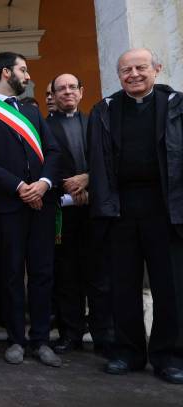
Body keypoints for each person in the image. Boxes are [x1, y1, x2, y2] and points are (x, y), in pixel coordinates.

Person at [87, 48, 183, 384]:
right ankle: (126, 352)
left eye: (141, 67)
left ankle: (170, 356)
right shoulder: (105, 110)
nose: (134, 75)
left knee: (170, 285)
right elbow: (96, 164)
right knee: (122, 284)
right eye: (126, 70)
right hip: (120, 209)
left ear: (157, 68)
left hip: (166, 208)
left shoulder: (177, 106)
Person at [0, 51, 62, 367]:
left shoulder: (32, 113)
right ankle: (16, 339)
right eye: (23, 69)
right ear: (6, 73)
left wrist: (44, 183)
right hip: (8, 207)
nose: (28, 76)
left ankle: (41, 339)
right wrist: (20, 187)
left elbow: (53, 151)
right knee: (9, 275)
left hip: (41, 205)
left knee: (43, 273)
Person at [46, 73, 112, 355]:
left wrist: (88, 179)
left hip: (95, 209)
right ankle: (70, 334)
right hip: (63, 210)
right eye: (61, 89)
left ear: (82, 92)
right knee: (67, 276)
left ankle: (103, 336)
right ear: (53, 95)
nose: (67, 92)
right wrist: (70, 186)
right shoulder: (44, 127)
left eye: (73, 87)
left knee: (99, 276)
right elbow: (45, 163)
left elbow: (108, 158)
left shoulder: (96, 122)